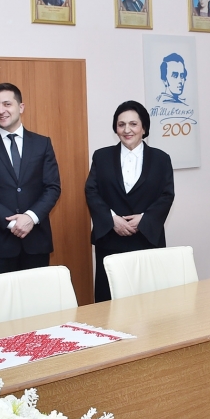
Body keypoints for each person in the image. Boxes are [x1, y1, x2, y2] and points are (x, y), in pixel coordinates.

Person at [85, 101, 175, 302]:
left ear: (144, 128)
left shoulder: (162, 159)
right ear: (115, 128)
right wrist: (111, 219)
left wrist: (144, 219)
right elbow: (91, 191)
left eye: (133, 124)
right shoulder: (102, 156)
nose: (127, 130)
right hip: (111, 239)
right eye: (121, 124)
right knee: (109, 301)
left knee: (149, 302)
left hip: (146, 239)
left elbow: (167, 195)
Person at [0, 82, 61, 276]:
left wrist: (30, 217)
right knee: (1, 304)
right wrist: (12, 223)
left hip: (36, 240)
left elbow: (52, 187)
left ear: (21, 107)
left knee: (39, 304)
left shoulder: (42, 144)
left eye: (7, 104)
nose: (1, 111)